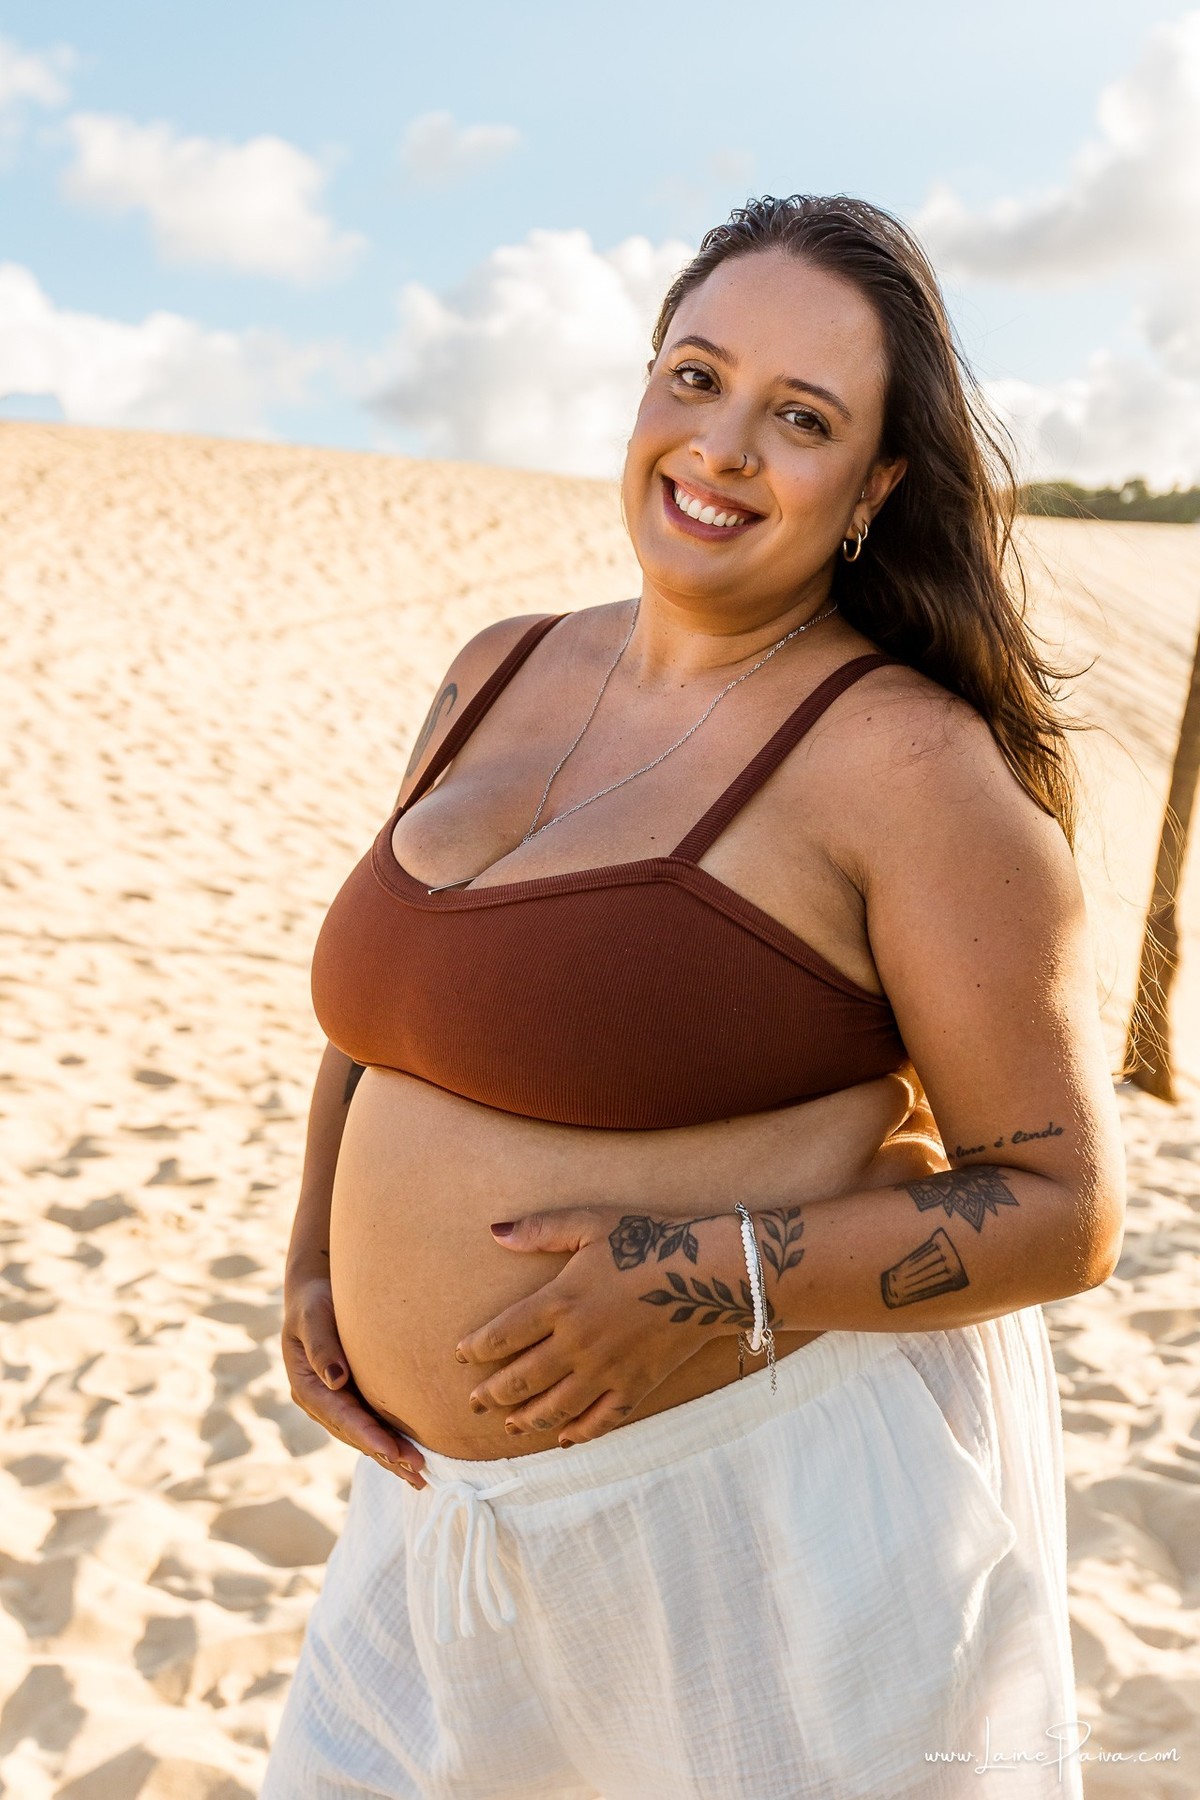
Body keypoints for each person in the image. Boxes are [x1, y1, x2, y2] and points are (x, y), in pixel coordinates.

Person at [262, 194, 1125, 1800]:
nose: (721, 448)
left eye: (798, 419)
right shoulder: (497, 670)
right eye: (695, 377)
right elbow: (381, 1015)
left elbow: (1063, 1208)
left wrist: (702, 1275)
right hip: (434, 1525)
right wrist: (317, 1255)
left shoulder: (910, 772)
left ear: (873, 489)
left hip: (741, 1534)